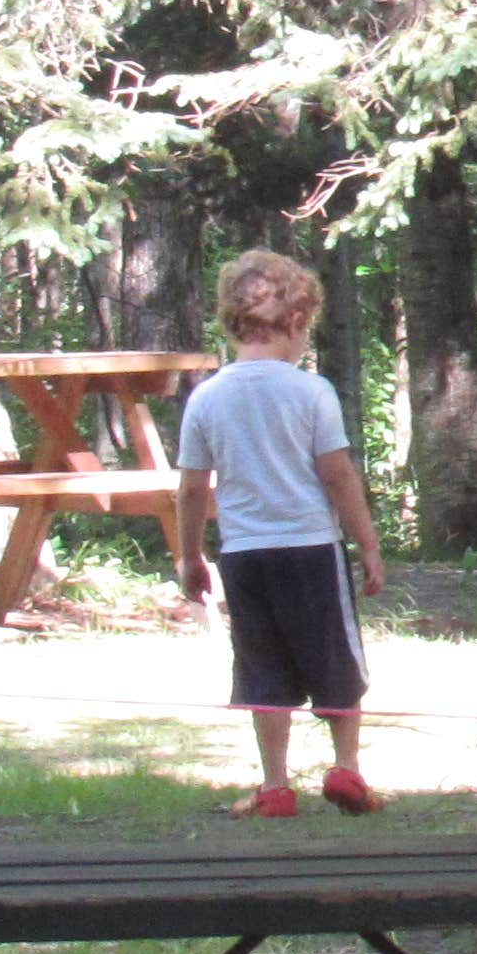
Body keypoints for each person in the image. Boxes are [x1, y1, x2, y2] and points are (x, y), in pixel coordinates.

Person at [169, 249, 389, 818]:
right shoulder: (311, 391)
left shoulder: (207, 397)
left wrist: (191, 557)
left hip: (245, 556)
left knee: (262, 667)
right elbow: (338, 475)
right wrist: (367, 543)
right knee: (336, 662)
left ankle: (275, 786)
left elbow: (193, 488)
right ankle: (346, 770)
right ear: (295, 323)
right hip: (312, 549)